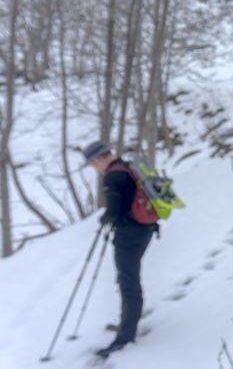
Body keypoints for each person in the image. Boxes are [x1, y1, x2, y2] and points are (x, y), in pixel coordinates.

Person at [82, 141, 157, 359]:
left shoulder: (112, 176)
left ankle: (125, 336)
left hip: (130, 235)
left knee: (128, 281)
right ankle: (128, 322)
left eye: (91, 163)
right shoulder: (126, 166)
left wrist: (105, 218)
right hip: (145, 230)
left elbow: (114, 211)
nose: (93, 168)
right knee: (129, 278)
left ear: (97, 159)